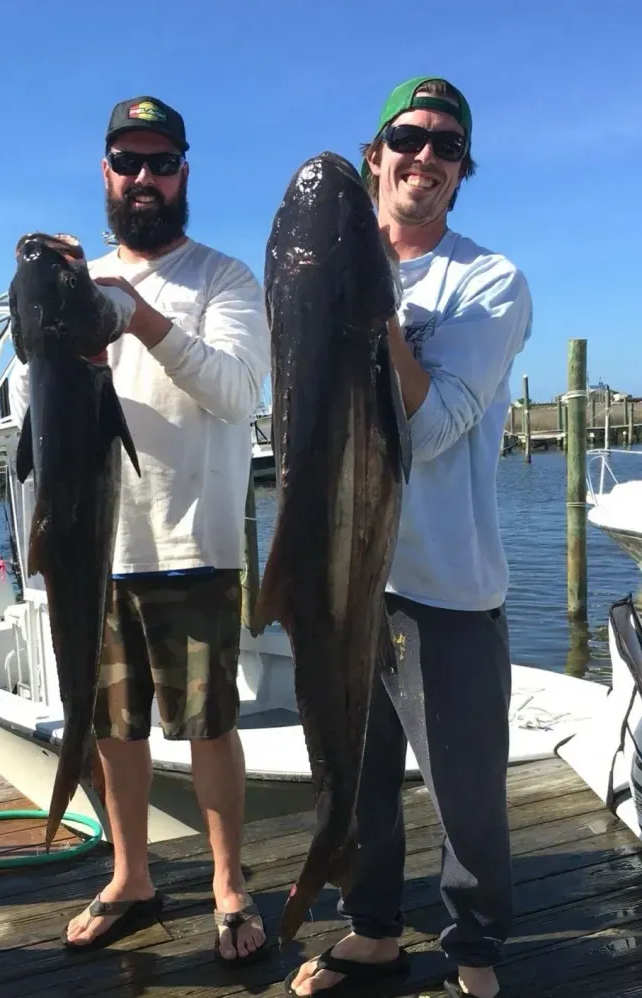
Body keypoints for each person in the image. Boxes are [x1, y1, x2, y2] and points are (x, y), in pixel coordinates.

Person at [7, 95, 271, 964]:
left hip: (194, 545)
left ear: (185, 173)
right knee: (115, 729)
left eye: (161, 163)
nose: (145, 179)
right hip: (99, 550)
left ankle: (229, 882)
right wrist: (63, 308)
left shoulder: (224, 279)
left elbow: (237, 393)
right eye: (130, 163)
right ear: (107, 173)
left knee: (208, 726)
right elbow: (30, 410)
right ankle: (132, 874)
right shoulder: (78, 289)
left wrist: (142, 319)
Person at [285, 78, 533, 998]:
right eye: (409, 137)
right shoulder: (317, 269)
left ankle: (473, 947)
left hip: (448, 585)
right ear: (374, 153)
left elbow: (429, 434)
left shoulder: (488, 282)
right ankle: (375, 928)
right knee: (358, 780)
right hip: (347, 579)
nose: (425, 156)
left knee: (465, 790)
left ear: (462, 174)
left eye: (448, 147)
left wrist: (373, 310)